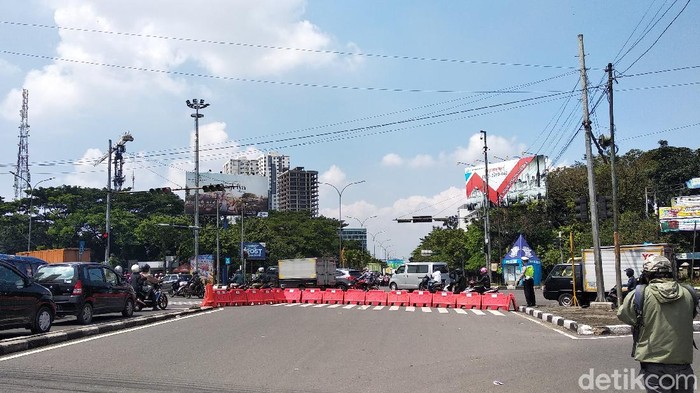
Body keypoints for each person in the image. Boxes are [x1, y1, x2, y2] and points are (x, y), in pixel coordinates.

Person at [617, 255, 698, 393]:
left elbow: (623, 315)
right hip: (683, 363)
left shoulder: (640, 294)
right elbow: (691, 315)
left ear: (647, 274)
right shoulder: (688, 293)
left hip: (653, 363)